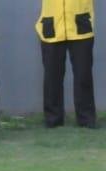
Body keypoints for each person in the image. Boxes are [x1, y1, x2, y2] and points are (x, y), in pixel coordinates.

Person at [36, 0, 96, 128]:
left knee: (83, 76)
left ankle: (86, 119)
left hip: (80, 25)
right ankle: (53, 119)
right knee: (52, 77)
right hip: (52, 26)